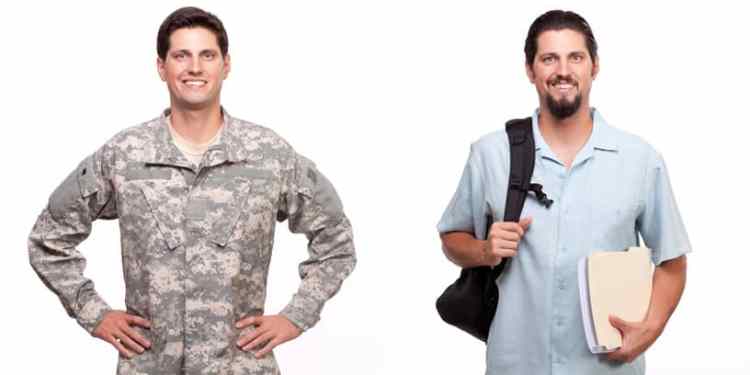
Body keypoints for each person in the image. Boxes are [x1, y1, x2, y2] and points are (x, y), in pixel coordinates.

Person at [27, 7, 355, 375]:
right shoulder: (124, 155)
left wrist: (297, 315)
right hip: (151, 366)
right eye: (181, 55)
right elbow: (48, 239)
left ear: (226, 65)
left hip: (239, 366)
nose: (194, 68)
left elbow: (336, 242)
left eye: (207, 55)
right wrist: (93, 313)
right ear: (161, 66)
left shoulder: (268, 155)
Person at [437, 10, 690, 375]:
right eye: (549, 58)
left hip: (607, 367)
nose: (563, 71)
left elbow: (672, 261)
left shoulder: (641, 160)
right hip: (516, 366)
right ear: (530, 70)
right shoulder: (490, 154)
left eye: (576, 57)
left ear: (594, 67)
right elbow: (451, 237)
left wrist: (649, 330)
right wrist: (484, 250)